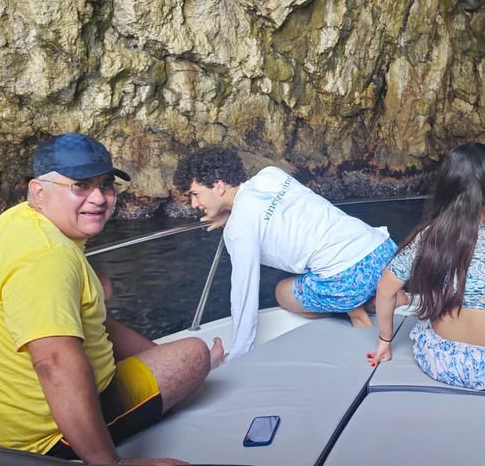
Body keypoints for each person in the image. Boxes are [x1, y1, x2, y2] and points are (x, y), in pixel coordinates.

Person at [0, 133, 220, 465]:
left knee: (108, 307)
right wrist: (109, 464)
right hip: (39, 439)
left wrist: (158, 358)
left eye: (106, 185)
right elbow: (54, 363)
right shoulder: (48, 258)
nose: (98, 198)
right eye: (80, 185)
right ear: (38, 191)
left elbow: (96, 322)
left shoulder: (13, 223)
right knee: (193, 354)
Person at [173, 147, 407, 361]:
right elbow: (277, 210)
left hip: (348, 277)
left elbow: (244, 291)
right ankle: (380, 296)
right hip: (383, 250)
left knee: (283, 292)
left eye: (195, 194)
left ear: (219, 186)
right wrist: (231, 213)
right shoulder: (270, 174)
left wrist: (239, 353)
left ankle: (358, 313)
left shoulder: (239, 228)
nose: (194, 204)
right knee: (326, 255)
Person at [368, 142, 485, 390]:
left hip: (441, 359)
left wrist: (384, 341)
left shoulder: (429, 235)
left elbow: (385, 289)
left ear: (448, 184)